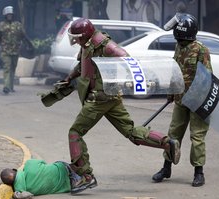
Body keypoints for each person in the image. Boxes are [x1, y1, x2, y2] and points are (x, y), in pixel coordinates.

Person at [62, 18, 181, 193]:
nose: (75, 40)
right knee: (130, 131)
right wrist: (69, 78)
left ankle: (85, 176)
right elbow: (83, 65)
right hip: (109, 97)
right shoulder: (87, 43)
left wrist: (127, 80)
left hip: (99, 99)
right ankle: (167, 143)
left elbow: (125, 58)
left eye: (77, 37)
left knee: (75, 133)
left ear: (85, 35)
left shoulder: (104, 44)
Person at [152, 13, 212, 187]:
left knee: (197, 137)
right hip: (180, 100)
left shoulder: (201, 49)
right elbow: (175, 70)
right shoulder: (179, 47)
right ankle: (166, 168)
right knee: (173, 135)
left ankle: (199, 173)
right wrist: (171, 92)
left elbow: (207, 77)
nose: (179, 40)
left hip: (198, 102)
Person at [0, 6, 32, 94]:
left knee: (12, 69)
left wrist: (30, 45)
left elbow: (24, 36)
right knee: (7, 68)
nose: (9, 16)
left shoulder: (18, 25)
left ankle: (11, 87)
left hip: (15, 51)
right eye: (8, 15)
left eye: (11, 15)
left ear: (13, 15)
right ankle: (6, 87)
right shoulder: (1, 25)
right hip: (5, 51)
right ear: (5, 15)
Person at [0, 159, 86, 197]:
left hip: (67, 186)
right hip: (63, 169)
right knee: (60, 164)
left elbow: (24, 195)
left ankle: (79, 179)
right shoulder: (29, 164)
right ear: (14, 170)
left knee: (71, 179)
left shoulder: (21, 189)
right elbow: (43, 162)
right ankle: (80, 172)